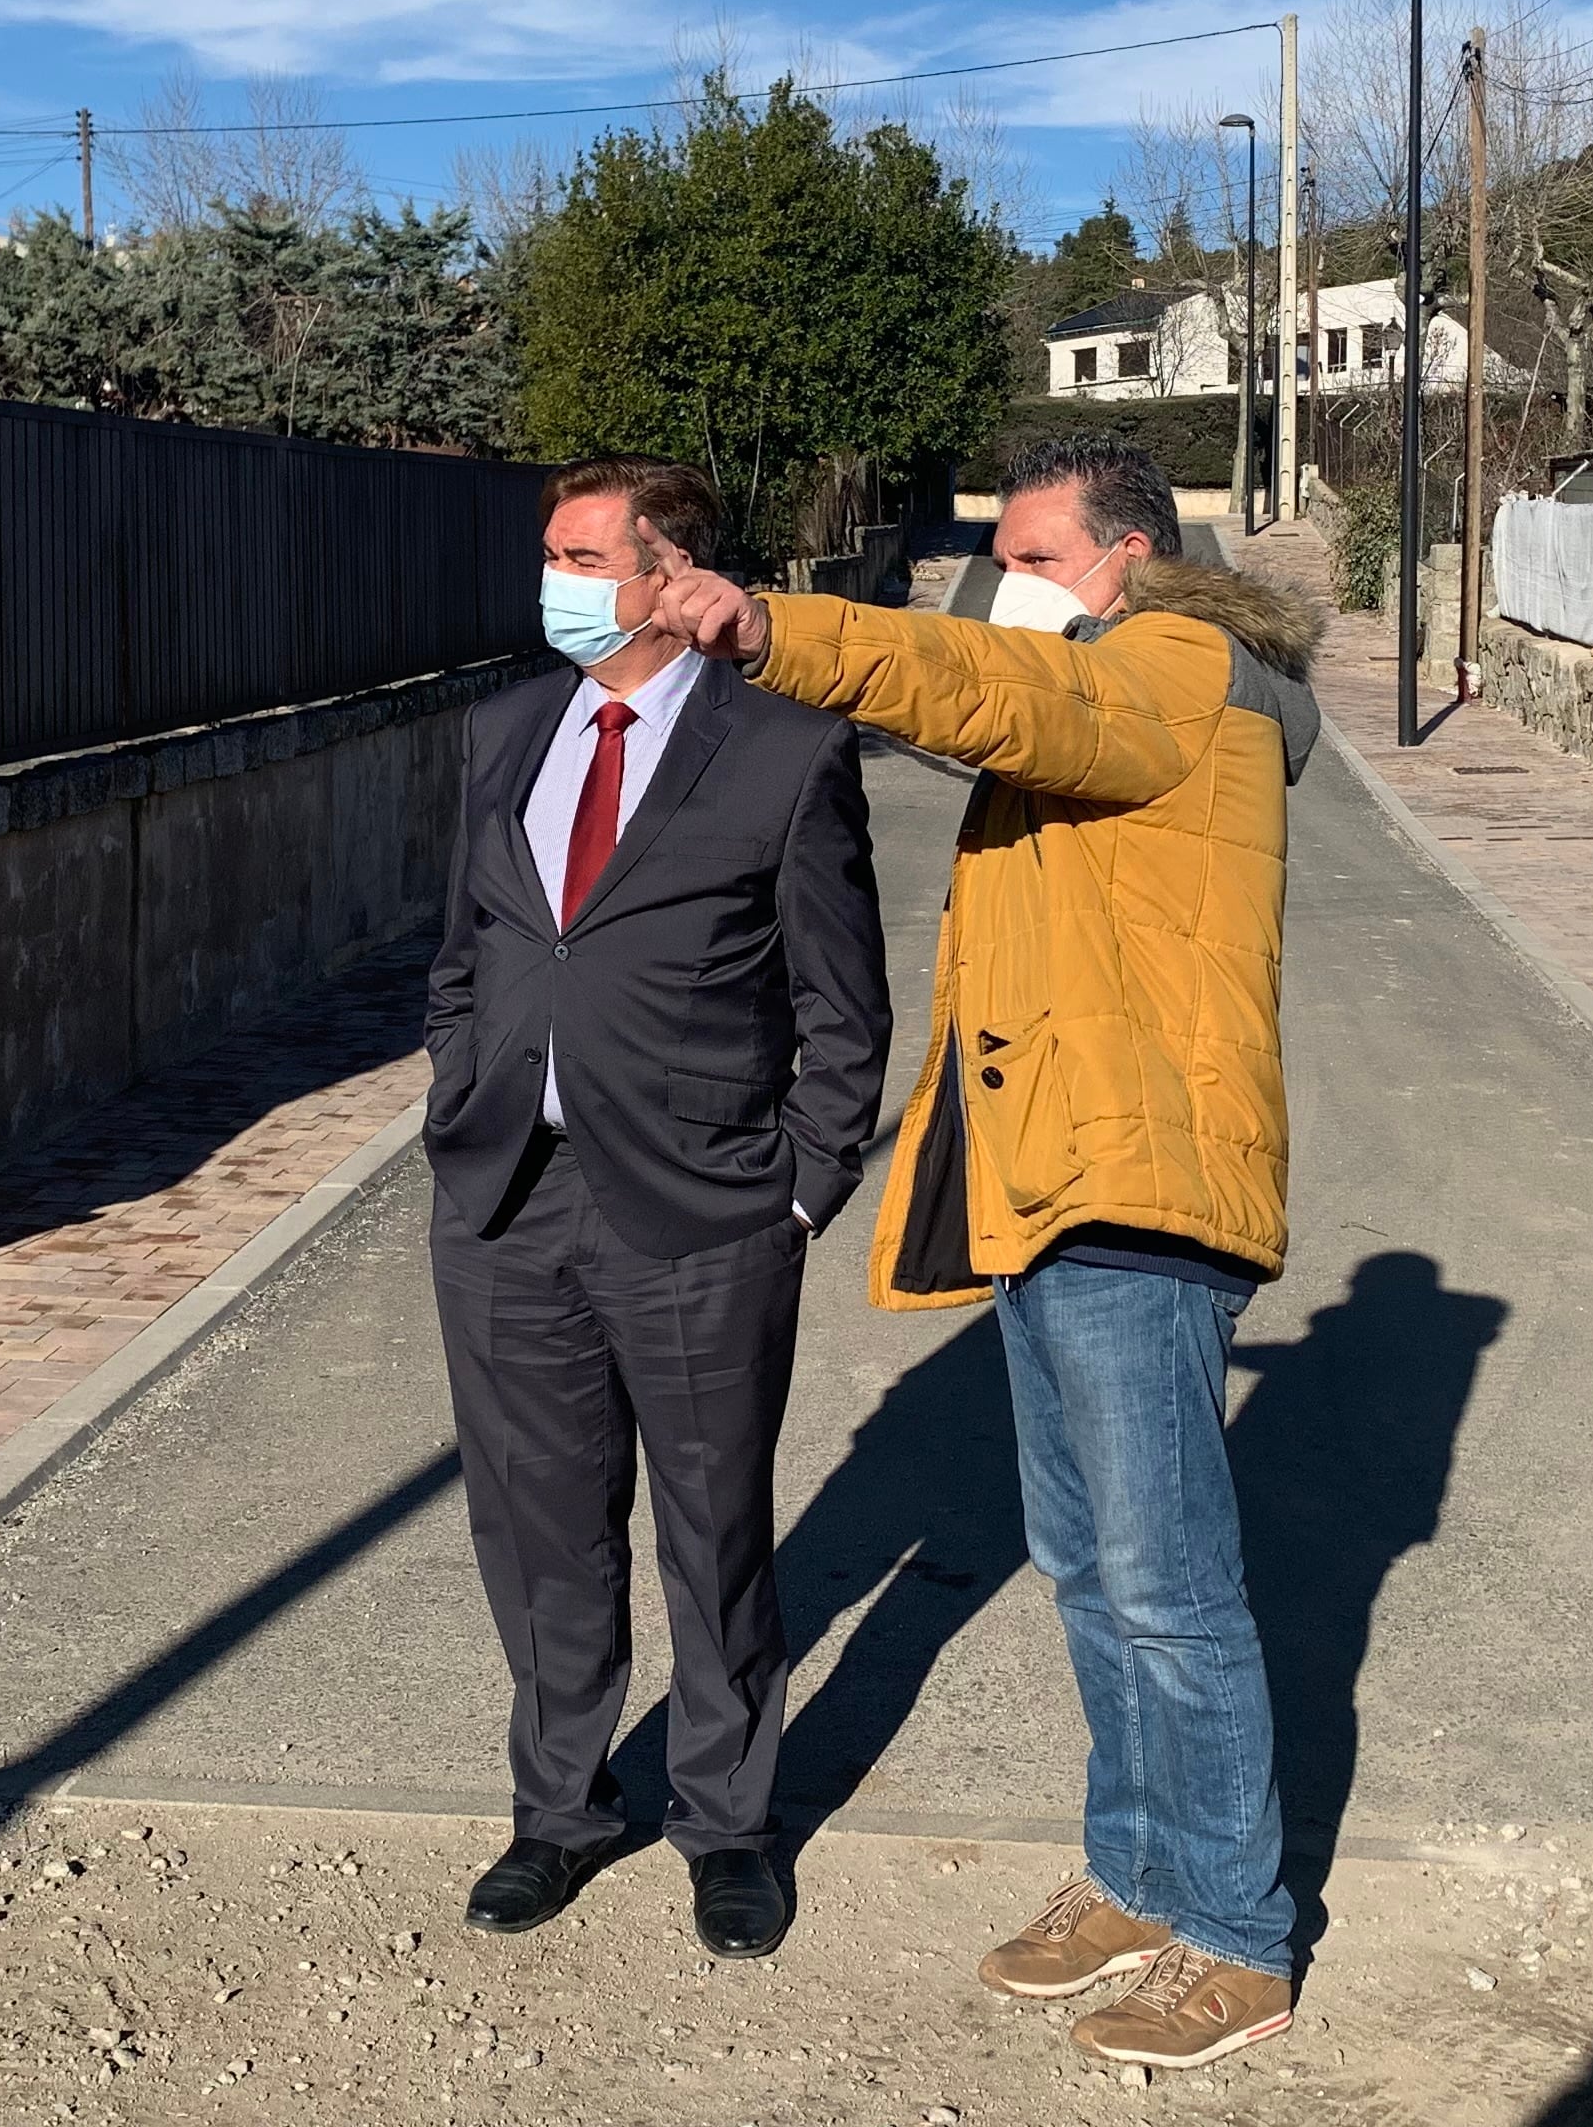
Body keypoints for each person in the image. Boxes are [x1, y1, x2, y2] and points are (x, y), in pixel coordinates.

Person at [646, 429, 1321, 2076]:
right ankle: (1140, 1873)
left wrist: (773, 629)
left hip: (1134, 1190)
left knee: (1168, 1587)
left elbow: (1003, 695)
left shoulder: (1173, 668)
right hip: (1055, 1184)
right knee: (1092, 1569)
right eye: (1002, 555)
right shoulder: (1123, 674)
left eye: (1034, 554)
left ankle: (1237, 1929)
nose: (1005, 582)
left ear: (1133, 555)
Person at [420, 456, 892, 1960]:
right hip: (508, 1198)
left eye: (580, 556)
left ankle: (728, 1820)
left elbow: (844, 1003)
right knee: (538, 1525)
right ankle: (559, 1811)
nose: (550, 581)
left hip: (703, 1210)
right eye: (549, 554)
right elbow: (464, 956)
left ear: (666, 574)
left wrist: (803, 1192)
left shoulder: (783, 754)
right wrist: (456, 1094)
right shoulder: (504, 735)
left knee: (711, 1529)